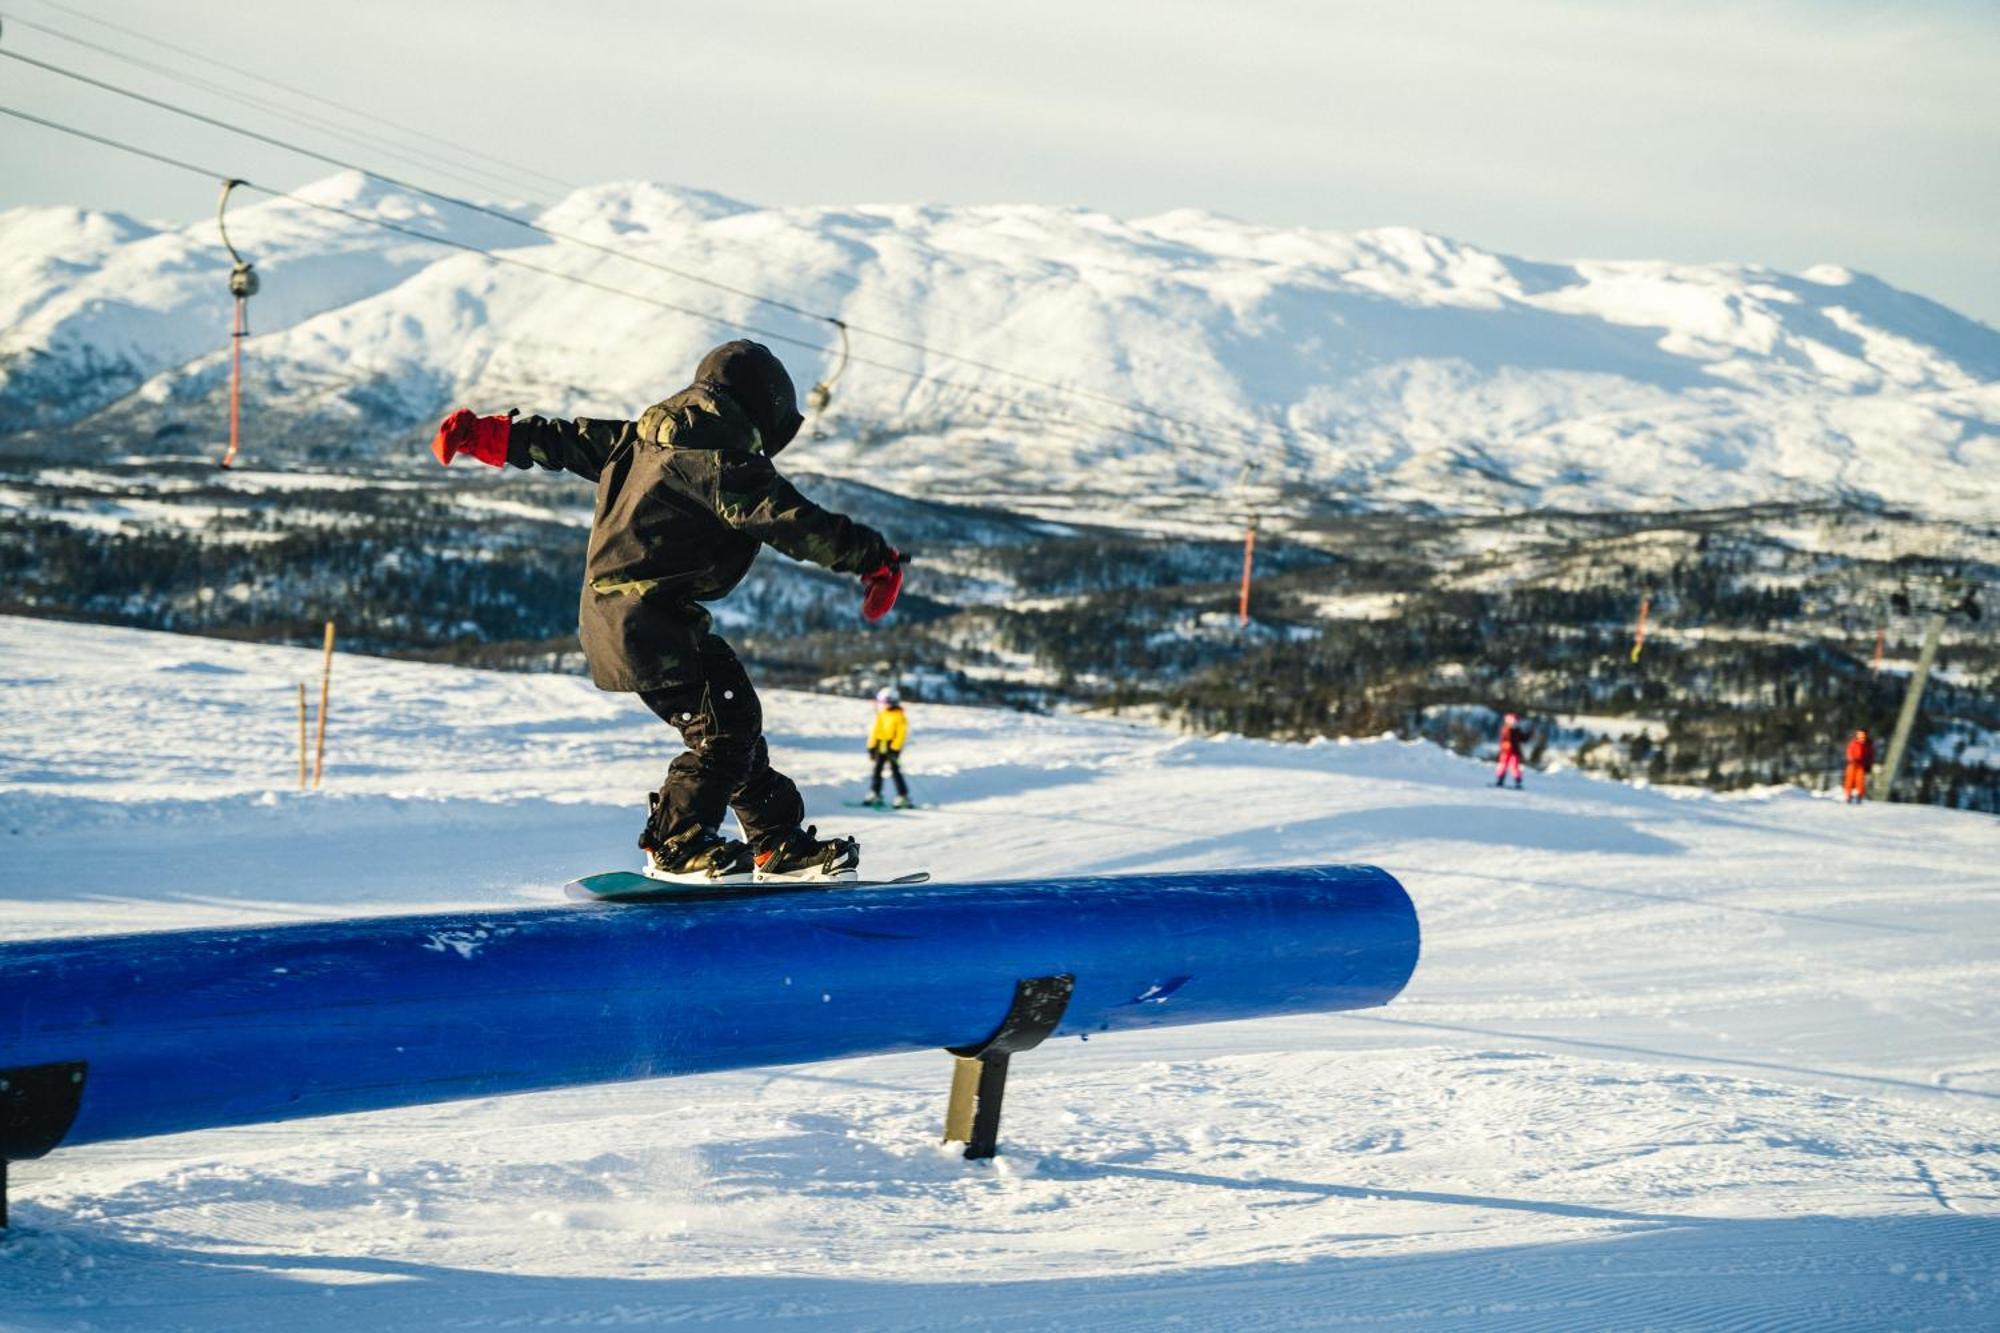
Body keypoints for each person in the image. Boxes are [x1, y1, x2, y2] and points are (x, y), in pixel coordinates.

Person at [430, 340, 907, 885]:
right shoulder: (718, 459)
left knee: (733, 726)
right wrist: (873, 559)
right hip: (645, 619)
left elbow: (567, 440)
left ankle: (775, 842)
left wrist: (492, 436)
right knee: (723, 730)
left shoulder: (644, 440)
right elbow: (790, 518)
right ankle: (675, 843)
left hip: (638, 615)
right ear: (762, 409)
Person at [863, 686, 912, 808]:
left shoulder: (899, 716)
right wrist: (872, 746)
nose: (883, 705)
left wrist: (895, 748)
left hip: (892, 747)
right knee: (877, 770)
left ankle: (903, 796)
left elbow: (901, 734)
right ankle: (875, 793)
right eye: (882, 702)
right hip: (881, 745)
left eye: (884, 702)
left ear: (892, 701)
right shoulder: (882, 715)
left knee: (895, 771)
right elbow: (875, 731)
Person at [1495, 712, 1529, 789]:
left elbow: (1523, 739)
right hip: (1505, 751)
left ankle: (1518, 782)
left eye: (1516, 722)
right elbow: (1503, 739)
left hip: (1514, 752)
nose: (1515, 723)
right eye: (1514, 722)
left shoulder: (1517, 731)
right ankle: (1500, 780)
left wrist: (1529, 734)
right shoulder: (1505, 729)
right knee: (1503, 766)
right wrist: (1505, 744)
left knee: (1514, 767)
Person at [1843, 728, 1875, 804]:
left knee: (1860, 782)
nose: (1861, 736)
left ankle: (1859, 796)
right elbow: (1849, 752)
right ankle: (1848, 795)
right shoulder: (1854, 743)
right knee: (1849, 781)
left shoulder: (1868, 744)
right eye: (1859, 734)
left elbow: (1871, 755)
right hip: (1853, 764)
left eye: (1862, 734)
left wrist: (1869, 765)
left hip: (1862, 766)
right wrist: (1851, 759)